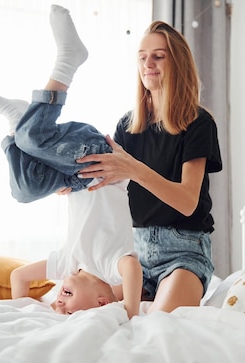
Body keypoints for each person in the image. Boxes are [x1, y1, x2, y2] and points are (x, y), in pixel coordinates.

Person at [0, 4, 142, 318]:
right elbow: (133, 269)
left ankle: (16, 122)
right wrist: (130, 313)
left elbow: (18, 277)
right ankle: (68, 60)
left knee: (23, 190)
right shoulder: (111, 266)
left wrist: (23, 314)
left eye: (57, 301)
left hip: (72, 178)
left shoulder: (69, 262)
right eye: (66, 301)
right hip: (101, 160)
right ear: (102, 303)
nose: (58, 301)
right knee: (34, 137)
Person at [76, 20, 223, 313]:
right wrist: (71, 181)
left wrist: (133, 169)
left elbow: (186, 201)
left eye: (158, 56)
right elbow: (105, 184)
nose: (148, 63)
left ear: (177, 63)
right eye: (142, 57)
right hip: (135, 255)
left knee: (160, 325)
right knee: (86, 308)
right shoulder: (127, 126)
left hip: (184, 253)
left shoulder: (198, 122)